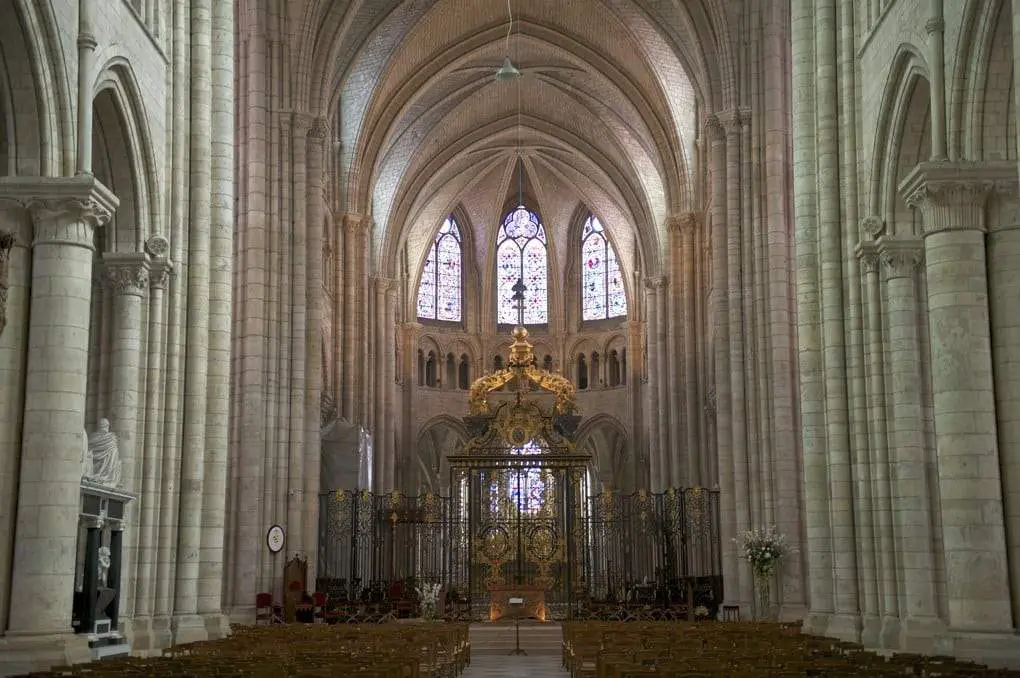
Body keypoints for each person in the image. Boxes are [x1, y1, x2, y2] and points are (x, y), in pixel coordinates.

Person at [87, 418, 123, 488]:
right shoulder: (112, 440)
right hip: (107, 476)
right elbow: (113, 460)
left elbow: (89, 454)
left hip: (92, 472)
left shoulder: (91, 438)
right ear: (107, 426)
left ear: (98, 426)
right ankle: (103, 476)